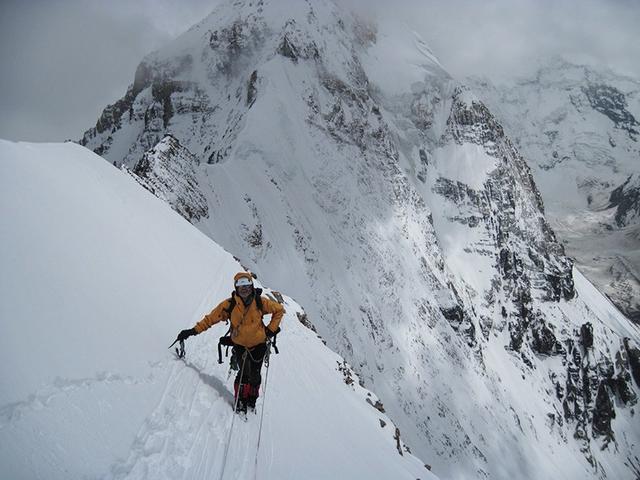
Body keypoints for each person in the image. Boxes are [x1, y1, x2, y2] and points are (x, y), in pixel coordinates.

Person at [176, 272, 284, 413]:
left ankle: (251, 399)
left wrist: (270, 331)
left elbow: (279, 310)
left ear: (251, 286)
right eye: (240, 285)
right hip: (240, 345)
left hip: (259, 344)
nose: (244, 288)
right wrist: (192, 331)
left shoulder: (260, 302)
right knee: (244, 374)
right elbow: (210, 320)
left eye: (246, 284)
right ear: (236, 287)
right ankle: (241, 401)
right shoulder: (229, 305)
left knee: (255, 374)